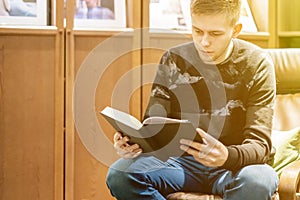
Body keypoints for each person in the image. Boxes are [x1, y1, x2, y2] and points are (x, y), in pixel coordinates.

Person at [106, 0, 279, 199]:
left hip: (235, 167)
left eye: (215, 34)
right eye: (198, 31)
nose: (204, 42)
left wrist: (226, 156)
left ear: (236, 30)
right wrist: (132, 143)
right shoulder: (174, 59)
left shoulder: (257, 63)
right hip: (181, 164)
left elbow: (260, 145)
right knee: (120, 174)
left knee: (258, 180)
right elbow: (153, 126)